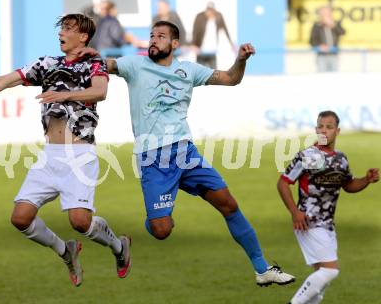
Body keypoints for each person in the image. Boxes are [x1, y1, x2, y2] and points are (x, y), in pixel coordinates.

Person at [80, 20, 296, 286]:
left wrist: (241, 60)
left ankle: (262, 269)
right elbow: (107, 65)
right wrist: (93, 56)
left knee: (228, 204)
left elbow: (230, 79)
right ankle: (132, 237)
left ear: (174, 44)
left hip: (186, 153)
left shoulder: (188, 70)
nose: (153, 40)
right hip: (153, 158)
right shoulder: (135, 65)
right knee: (161, 230)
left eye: (160, 36)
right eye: (151, 36)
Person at [0, 14, 131, 286]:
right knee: (20, 218)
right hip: (50, 156)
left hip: (79, 154)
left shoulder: (94, 62)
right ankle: (66, 250)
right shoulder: (46, 64)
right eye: (61, 28)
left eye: (68, 28)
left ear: (83, 36)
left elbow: (100, 92)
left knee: (80, 221)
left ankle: (119, 246)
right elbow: (0, 82)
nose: (61, 33)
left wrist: (65, 95)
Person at [277, 111, 379, 303]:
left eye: (329, 127)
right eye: (320, 126)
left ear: (337, 131)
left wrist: (366, 179)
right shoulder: (307, 155)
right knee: (330, 270)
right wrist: (294, 212)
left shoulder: (341, 159)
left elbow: (348, 185)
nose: (324, 130)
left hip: (328, 225)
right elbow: (283, 183)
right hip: (308, 222)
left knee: (321, 280)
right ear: (316, 129)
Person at [192, 2, 235, 69]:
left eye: (211, 11)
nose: (209, 13)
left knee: (214, 73)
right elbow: (195, 31)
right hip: (201, 49)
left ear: (214, 11)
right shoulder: (200, 16)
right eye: (208, 10)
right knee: (199, 72)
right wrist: (194, 44)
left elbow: (225, 30)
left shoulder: (218, 17)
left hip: (212, 50)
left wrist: (231, 44)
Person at [309, 6, 345, 72]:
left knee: (334, 76)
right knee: (322, 76)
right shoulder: (317, 26)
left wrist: (333, 25)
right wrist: (320, 46)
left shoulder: (336, 24)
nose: (326, 16)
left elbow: (342, 32)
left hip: (334, 54)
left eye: (328, 14)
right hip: (322, 55)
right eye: (323, 14)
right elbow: (312, 40)